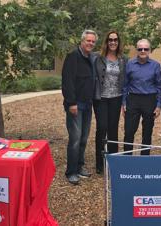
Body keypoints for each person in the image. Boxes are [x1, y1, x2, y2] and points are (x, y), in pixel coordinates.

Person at [62, 29, 98, 185]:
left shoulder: (91, 58)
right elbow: (67, 81)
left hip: (88, 104)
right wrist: (71, 103)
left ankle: (80, 167)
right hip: (76, 105)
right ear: (82, 41)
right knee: (75, 139)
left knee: (83, 138)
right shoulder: (73, 56)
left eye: (92, 41)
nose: (90, 43)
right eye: (87, 41)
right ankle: (71, 172)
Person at [93, 31, 126, 174]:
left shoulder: (123, 59)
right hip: (101, 98)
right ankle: (100, 162)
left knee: (113, 129)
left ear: (118, 42)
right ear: (106, 42)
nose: (113, 42)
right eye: (110, 40)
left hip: (116, 98)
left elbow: (126, 80)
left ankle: (113, 161)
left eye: (115, 40)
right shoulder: (98, 58)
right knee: (102, 127)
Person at [122, 39, 161, 155]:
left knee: (147, 131)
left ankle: (144, 159)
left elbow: (159, 86)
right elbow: (125, 85)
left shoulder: (155, 65)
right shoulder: (130, 64)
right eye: (140, 49)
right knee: (129, 131)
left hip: (150, 100)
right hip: (133, 100)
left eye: (146, 49)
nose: (143, 51)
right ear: (137, 50)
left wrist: (159, 105)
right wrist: (123, 102)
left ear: (150, 50)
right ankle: (126, 158)